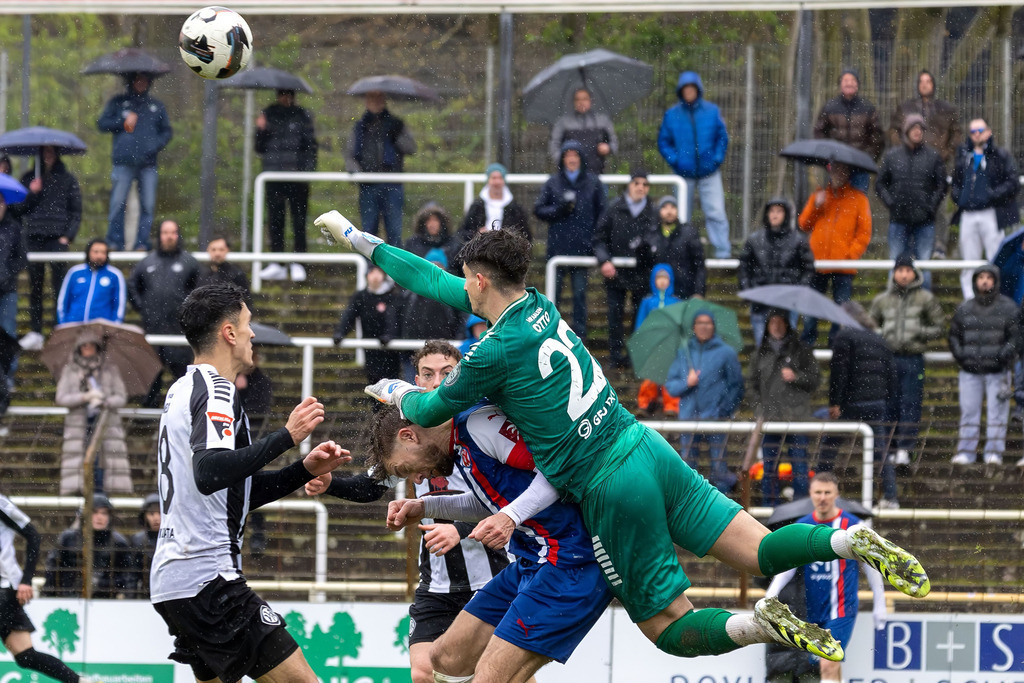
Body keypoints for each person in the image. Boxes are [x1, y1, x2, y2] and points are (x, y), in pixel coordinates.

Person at [316, 211, 931, 664]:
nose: (459, 284)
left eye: (464, 278)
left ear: (478, 280)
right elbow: (429, 278)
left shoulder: (490, 354)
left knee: (670, 630)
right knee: (762, 551)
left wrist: (393, 390)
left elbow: (430, 405)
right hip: (644, 444)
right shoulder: (537, 305)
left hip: (610, 485)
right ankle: (846, 540)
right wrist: (358, 239)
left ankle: (758, 624)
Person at [150, 282, 346, 683]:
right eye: (247, 324)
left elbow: (230, 495)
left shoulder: (182, 389)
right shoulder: (217, 389)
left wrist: (302, 470)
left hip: (176, 581)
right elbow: (210, 473)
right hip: (207, 577)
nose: (252, 333)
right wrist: (286, 436)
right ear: (229, 333)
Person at [306, 341, 515, 683]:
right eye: (428, 374)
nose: (437, 382)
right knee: (423, 673)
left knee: (503, 674)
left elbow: (505, 504)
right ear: (415, 381)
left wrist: (459, 530)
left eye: (447, 373)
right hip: (437, 582)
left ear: (461, 376)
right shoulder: (412, 436)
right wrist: (330, 484)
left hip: (490, 575)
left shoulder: (476, 429)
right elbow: (371, 486)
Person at [380, 397, 613, 682]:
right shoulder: (461, 441)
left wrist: (510, 517)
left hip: (570, 562)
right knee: (445, 658)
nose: (416, 480)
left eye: (405, 470)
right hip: (531, 562)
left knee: (490, 677)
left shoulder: (479, 425)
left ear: (408, 436)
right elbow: (491, 501)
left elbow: (560, 469)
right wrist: (425, 506)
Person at [765, 472, 888, 683]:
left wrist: (880, 603)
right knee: (830, 664)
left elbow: (872, 566)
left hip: (842, 608)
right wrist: (770, 595)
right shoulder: (803, 525)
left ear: (836, 494)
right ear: (810, 494)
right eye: (818, 492)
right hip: (813, 607)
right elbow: (789, 565)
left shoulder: (853, 526)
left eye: (827, 492)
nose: (822, 498)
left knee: (827, 662)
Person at [0, 492, 103, 683]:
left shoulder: (1, 504)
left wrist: (26, 580)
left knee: (26, 655)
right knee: (25, 657)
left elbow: (33, 535)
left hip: (4, 589)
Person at [869, 254, 945, 467]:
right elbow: (869, 326)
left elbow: (939, 327)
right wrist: (883, 334)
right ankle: (890, 448)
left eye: (907, 270)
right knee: (889, 404)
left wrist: (919, 331)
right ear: (894, 273)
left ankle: (905, 449)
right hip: (889, 359)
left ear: (914, 273)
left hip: (913, 359)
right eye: (900, 270)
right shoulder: (882, 300)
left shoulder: (925, 298)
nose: (903, 275)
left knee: (910, 404)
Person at [828, 302, 900, 507]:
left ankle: (816, 489)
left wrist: (835, 402)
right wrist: (885, 398)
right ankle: (891, 496)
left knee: (829, 447)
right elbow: (891, 373)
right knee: (880, 450)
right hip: (877, 402)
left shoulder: (844, 336)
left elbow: (839, 372)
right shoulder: (878, 338)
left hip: (852, 402)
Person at [664, 311, 743, 494]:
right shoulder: (683, 353)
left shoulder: (726, 353)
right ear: (694, 327)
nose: (704, 327)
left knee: (719, 467)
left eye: (708, 323)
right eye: (700, 323)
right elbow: (671, 386)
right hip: (688, 418)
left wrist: (724, 410)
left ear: (713, 326)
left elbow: (736, 385)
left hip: (716, 418)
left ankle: (723, 500)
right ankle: (690, 501)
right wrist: (687, 383)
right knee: (688, 467)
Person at [12, 146, 82, 352]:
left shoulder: (68, 179)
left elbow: (76, 211)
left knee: (60, 288)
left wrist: (67, 236)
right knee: (35, 288)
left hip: (57, 241)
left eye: (51, 151)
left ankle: (59, 329)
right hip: (34, 239)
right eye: (45, 151)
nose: (48, 155)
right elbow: (18, 210)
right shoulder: (28, 178)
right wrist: (32, 193)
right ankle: (36, 332)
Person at [534, 140, 605, 341]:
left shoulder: (593, 182)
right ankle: (551, 335)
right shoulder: (553, 182)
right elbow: (539, 209)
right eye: (568, 155)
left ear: (581, 158)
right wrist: (559, 209)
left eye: (575, 155)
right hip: (557, 249)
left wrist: (594, 240)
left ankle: (579, 338)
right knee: (553, 296)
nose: (572, 159)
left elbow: (603, 214)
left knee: (580, 296)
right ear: (563, 159)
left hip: (582, 250)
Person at [948, 265, 1019, 466]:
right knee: (969, 412)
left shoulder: (1008, 308)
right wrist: (962, 356)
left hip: (998, 371)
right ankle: (966, 452)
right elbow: (954, 336)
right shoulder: (965, 308)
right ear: (975, 281)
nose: (985, 281)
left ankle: (994, 453)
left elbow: (1015, 337)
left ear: (995, 281)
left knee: (997, 414)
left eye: (989, 277)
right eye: (981, 277)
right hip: (970, 371)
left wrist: (1004, 355)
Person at [887, 70, 962, 259]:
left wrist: (946, 152)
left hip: (939, 164)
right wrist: (903, 149)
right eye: (921, 81)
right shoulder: (906, 108)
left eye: (928, 81)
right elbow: (893, 131)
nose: (925, 84)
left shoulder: (946, 109)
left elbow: (957, 133)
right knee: (913, 204)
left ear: (934, 84)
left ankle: (939, 245)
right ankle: (912, 249)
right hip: (912, 164)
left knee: (940, 204)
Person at [657, 71, 731, 258]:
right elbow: (663, 142)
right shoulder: (672, 115)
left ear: (698, 89)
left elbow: (722, 138)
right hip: (683, 175)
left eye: (692, 88)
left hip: (709, 172)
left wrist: (716, 159)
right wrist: (676, 160)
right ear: (680, 91)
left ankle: (722, 255)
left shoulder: (712, 111)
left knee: (716, 213)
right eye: (685, 89)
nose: (688, 92)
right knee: (682, 215)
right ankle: (681, 255)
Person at [97, 72, 173, 252]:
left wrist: (154, 145)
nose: (141, 83)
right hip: (123, 162)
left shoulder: (156, 106)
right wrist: (122, 121)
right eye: (137, 79)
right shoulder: (118, 102)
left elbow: (167, 132)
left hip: (148, 164)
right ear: (131, 81)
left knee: (148, 205)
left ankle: (142, 243)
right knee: (118, 202)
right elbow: (102, 124)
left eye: (145, 80)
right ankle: (114, 242)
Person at [749, 310, 819, 506]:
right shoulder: (759, 353)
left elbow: (815, 380)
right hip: (770, 419)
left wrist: (797, 377)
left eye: (780, 322)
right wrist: (759, 408)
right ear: (767, 326)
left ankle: (801, 508)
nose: (777, 326)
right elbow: (751, 385)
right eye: (773, 322)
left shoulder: (801, 350)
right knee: (769, 468)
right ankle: (769, 508)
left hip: (797, 418)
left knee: (800, 468)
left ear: (787, 325)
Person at [798, 162, 871, 346]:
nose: (838, 174)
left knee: (841, 310)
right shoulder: (819, 195)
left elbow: (864, 233)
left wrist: (849, 256)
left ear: (848, 173)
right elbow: (804, 224)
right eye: (835, 170)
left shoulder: (859, 199)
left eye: (842, 170)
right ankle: (807, 346)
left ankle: (836, 347)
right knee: (810, 309)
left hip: (843, 266)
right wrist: (816, 206)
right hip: (817, 263)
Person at [128, 219, 199, 407]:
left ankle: (184, 409)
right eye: (165, 232)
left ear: (178, 235)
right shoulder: (146, 262)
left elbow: (199, 289)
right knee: (151, 374)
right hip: (153, 328)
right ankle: (147, 413)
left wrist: (188, 313)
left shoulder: (189, 262)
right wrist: (143, 308)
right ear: (159, 236)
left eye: (173, 232)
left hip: (178, 330)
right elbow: (132, 285)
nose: (169, 236)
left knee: (181, 375)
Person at [54, 332, 132, 496]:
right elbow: (61, 397)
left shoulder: (110, 370)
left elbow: (121, 397)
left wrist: (105, 401)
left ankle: (101, 498)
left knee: (103, 463)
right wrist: (84, 397)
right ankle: (84, 498)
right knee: (82, 463)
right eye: (84, 346)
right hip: (79, 426)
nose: (88, 349)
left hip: (105, 424)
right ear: (79, 349)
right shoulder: (70, 371)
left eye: (91, 346)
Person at [875, 114, 948, 289]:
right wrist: (891, 204)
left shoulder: (933, 156)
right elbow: (879, 184)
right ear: (906, 131)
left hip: (925, 221)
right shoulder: (892, 156)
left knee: (924, 265)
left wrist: (930, 207)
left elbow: (942, 186)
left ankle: (924, 302)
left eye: (920, 128)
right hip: (898, 220)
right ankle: (893, 301)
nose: (918, 131)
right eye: (914, 128)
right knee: (895, 264)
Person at [593, 168, 656, 369]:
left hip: (642, 273)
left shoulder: (653, 212)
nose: (640, 187)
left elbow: (656, 242)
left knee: (640, 316)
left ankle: (634, 357)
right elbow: (599, 238)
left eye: (645, 184)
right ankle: (615, 356)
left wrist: (645, 252)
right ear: (629, 185)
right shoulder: (613, 208)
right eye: (637, 183)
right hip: (616, 274)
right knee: (615, 314)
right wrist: (605, 261)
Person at [951, 118, 1020, 299]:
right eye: (972, 131)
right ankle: (970, 299)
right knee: (969, 261)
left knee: (995, 257)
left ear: (989, 131)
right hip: (968, 214)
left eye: (980, 130)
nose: (976, 135)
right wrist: (960, 197)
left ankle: (997, 298)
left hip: (992, 213)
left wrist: (992, 195)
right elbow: (956, 182)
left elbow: (1012, 182)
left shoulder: (1000, 155)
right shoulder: (964, 156)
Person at [255, 89, 318, 283]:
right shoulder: (268, 114)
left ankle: (299, 262)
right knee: (275, 220)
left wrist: (306, 172)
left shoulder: (302, 116)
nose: (285, 98)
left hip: (297, 179)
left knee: (299, 221)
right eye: (282, 94)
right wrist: (260, 130)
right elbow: (259, 147)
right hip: (274, 177)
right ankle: (277, 262)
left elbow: (310, 146)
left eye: (288, 94)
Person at [738, 198, 814, 347]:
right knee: (762, 345)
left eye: (779, 211)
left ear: (786, 214)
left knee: (786, 346)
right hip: (761, 300)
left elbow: (808, 269)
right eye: (772, 211)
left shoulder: (798, 241)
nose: (775, 215)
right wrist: (747, 289)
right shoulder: (754, 240)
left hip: (788, 301)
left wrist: (799, 291)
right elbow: (744, 267)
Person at [344, 90, 416, 247]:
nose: (375, 101)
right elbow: (350, 156)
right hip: (368, 186)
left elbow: (410, 148)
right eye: (371, 97)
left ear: (384, 99)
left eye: (379, 97)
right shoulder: (359, 127)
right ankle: (369, 264)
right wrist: (357, 174)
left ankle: (393, 264)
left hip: (393, 185)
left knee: (394, 233)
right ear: (366, 100)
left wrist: (395, 134)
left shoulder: (396, 124)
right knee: (368, 234)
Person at [43, 493, 133, 599]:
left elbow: (127, 576)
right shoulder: (67, 538)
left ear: (109, 516)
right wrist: (49, 595)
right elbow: (53, 569)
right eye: (94, 512)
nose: (99, 517)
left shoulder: (119, 542)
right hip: (68, 597)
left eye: (104, 513)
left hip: (105, 600)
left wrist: (102, 584)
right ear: (85, 514)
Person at [813, 69, 884, 191]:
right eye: (845, 80)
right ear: (840, 84)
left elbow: (877, 137)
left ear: (858, 84)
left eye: (853, 80)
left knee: (858, 199)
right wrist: (827, 158)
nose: (849, 83)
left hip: (860, 166)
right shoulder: (830, 107)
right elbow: (819, 133)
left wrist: (869, 158)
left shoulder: (868, 108)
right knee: (836, 199)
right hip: (836, 166)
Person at [333, 263, 401, 391]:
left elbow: (394, 320)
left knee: (390, 385)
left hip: (390, 350)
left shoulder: (393, 296)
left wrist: (389, 335)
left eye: (378, 272)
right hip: (370, 349)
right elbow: (349, 316)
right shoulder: (361, 296)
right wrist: (340, 333)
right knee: (373, 384)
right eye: (371, 272)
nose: (375, 276)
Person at [634, 264, 681, 418]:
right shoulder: (648, 302)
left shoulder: (675, 302)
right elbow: (641, 322)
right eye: (659, 278)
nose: (662, 281)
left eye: (665, 278)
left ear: (670, 280)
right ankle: (645, 404)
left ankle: (671, 405)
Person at [457, 163, 532, 256]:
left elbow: (525, 235)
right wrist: (477, 234)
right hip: (480, 252)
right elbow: (462, 232)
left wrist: (508, 239)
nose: (497, 182)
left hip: (507, 254)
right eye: (493, 178)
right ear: (488, 180)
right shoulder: (477, 206)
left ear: (504, 181)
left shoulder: (515, 208)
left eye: (500, 178)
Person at [642, 195, 706, 301]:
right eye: (665, 207)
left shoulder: (689, 233)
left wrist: (699, 292)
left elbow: (699, 265)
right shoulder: (651, 234)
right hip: (658, 296)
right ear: (659, 211)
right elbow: (644, 265)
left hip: (684, 293)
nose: (669, 211)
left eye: (672, 207)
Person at [548, 87, 618, 175]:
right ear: (573, 102)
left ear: (591, 101)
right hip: (571, 175)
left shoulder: (603, 121)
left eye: (585, 99)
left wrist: (608, 148)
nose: (581, 102)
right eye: (577, 99)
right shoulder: (563, 123)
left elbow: (614, 143)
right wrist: (564, 162)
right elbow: (554, 145)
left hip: (597, 173)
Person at [57, 238, 127, 325]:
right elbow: (63, 301)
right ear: (88, 252)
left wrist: (114, 326)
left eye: (103, 252)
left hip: (102, 329)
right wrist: (63, 324)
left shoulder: (115, 275)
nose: (99, 256)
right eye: (96, 252)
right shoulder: (75, 272)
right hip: (74, 327)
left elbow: (119, 305)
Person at [0, 189, 27, 399]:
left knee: (8, 333)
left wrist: (7, 274)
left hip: (7, 291)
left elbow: (21, 258)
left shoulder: (13, 228)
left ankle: (7, 378)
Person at [196, 235, 253, 312]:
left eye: (221, 249)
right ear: (208, 250)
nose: (217, 253)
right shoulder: (200, 273)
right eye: (213, 249)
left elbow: (246, 301)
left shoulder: (236, 274)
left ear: (227, 250)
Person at [129, 492, 160, 599]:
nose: (156, 518)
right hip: (145, 593)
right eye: (151, 514)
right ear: (145, 516)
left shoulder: (174, 538)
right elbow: (132, 574)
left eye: (160, 513)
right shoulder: (137, 540)